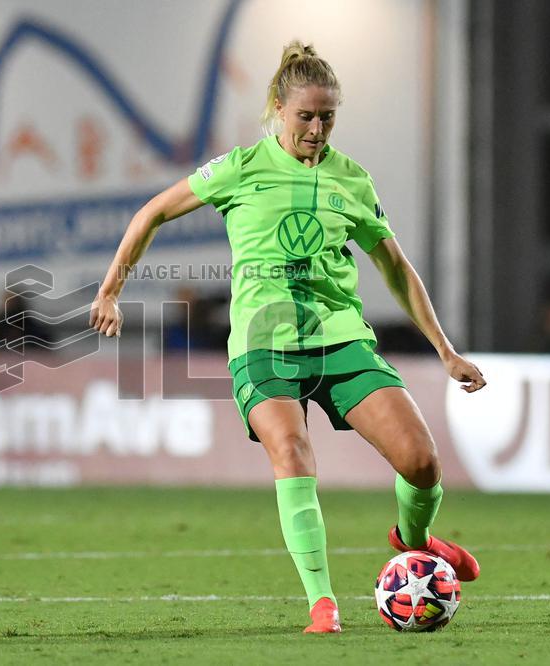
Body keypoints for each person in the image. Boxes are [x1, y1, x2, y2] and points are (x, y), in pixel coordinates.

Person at [90, 41, 486, 634]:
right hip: (263, 342)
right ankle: (322, 603)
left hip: (340, 338)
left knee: (422, 460)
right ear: (278, 107)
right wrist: (109, 290)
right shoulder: (239, 169)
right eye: (306, 115)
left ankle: (415, 541)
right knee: (292, 452)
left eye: (328, 117)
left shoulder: (351, 178)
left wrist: (444, 349)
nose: (318, 128)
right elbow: (149, 213)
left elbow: (395, 267)